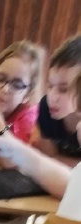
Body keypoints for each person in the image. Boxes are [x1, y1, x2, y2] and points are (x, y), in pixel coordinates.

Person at [34, 34, 81, 164]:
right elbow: (49, 156)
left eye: (63, 89)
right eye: (50, 86)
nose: (52, 97)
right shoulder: (45, 108)